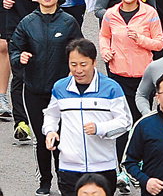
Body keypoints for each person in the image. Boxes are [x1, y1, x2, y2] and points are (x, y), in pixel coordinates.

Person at [9, 0, 81, 195]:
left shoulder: (69, 22)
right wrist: (19, 58)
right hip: (34, 90)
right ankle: (45, 180)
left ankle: (64, 180)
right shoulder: (27, 22)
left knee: (62, 139)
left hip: (62, 93)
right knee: (42, 138)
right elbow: (14, 48)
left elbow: (80, 52)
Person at [98, 0, 163, 183]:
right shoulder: (110, 13)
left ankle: (138, 167)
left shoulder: (150, 13)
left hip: (143, 77)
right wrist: (105, 51)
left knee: (139, 122)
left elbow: (159, 43)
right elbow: (104, 35)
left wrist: (141, 39)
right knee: (121, 122)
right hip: (118, 75)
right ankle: (119, 169)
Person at [43, 38, 132, 196]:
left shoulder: (111, 88)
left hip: (103, 166)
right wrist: (50, 131)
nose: (78, 70)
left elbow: (125, 122)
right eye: (73, 65)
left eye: (83, 64)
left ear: (93, 62)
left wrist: (100, 128)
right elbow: (51, 115)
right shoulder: (60, 87)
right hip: (68, 166)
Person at [0, 0, 62, 142]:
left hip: (42, 26)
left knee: (42, 70)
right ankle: (21, 122)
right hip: (15, 26)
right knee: (19, 73)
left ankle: (47, 117)